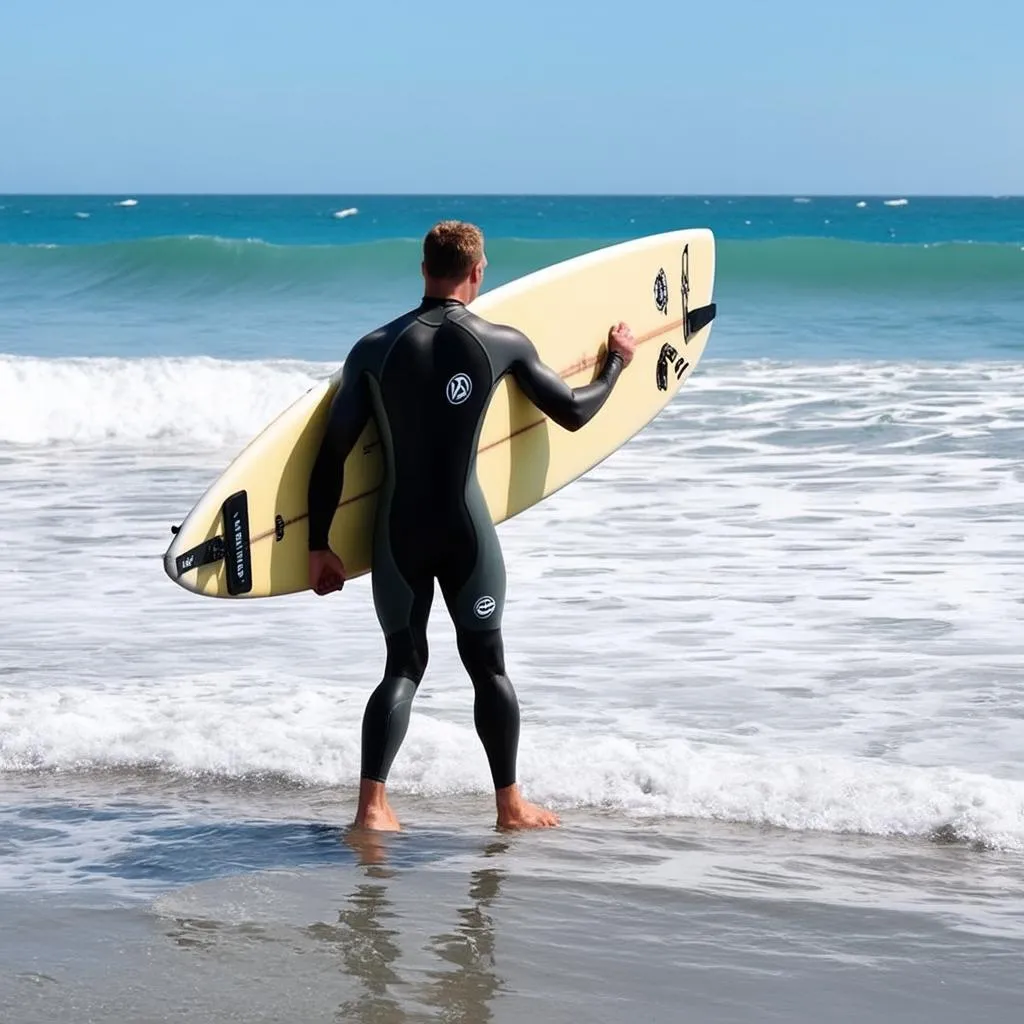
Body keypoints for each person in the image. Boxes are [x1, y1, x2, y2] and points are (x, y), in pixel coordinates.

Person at [306, 220, 637, 832]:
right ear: (478, 271)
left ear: (424, 268)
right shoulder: (499, 341)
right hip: (466, 533)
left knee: (402, 666)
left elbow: (332, 455)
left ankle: (371, 809)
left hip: (397, 531)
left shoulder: (373, 348)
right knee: (488, 666)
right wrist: (616, 363)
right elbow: (572, 413)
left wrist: (317, 546)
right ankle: (510, 807)